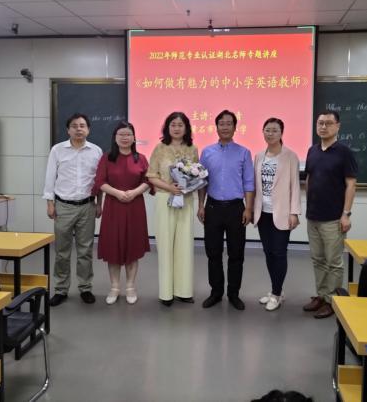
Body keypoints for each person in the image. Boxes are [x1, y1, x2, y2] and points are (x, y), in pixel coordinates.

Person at [43, 113, 103, 306]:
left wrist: (99, 203)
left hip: (87, 206)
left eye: (82, 125)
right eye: (74, 126)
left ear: (88, 130)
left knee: (85, 250)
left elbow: (99, 181)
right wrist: (50, 203)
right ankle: (61, 289)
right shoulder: (57, 150)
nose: (79, 129)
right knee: (62, 251)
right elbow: (50, 177)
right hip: (63, 206)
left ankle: (85, 287)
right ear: (68, 130)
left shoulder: (96, 151)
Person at [198, 110, 255, 310]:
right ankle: (216, 292)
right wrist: (201, 205)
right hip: (212, 207)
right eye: (221, 123)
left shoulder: (244, 152)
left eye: (229, 123)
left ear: (235, 127)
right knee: (213, 253)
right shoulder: (207, 152)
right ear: (216, 127)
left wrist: (248, 208)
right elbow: (202, 181)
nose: (225, 127)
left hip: (236, 209)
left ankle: (233, 294)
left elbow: (249, 183)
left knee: (236, 254)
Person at [303, 110, 357, 318]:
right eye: (320, 123)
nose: (323, 127)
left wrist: (346, 214)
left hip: (334, 217)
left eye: (328, 123)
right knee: (318, 259)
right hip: (313, 216)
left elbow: (351, 184)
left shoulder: (344, 152)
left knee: (334, 262)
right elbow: (309, 178)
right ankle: (321, 295)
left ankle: (332, 301)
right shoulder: (312, 150)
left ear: (338, 126)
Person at [92, 121, 151, 305]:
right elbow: (100, 182)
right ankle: (115, 287)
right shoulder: (106, 158)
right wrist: (117, 193)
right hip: (113, 206)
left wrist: (134, 192)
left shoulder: (141, 158)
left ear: (134, 138)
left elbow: (148, 180)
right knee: (113, 248)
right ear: (115, 138)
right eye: (121, 134)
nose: (125, 138)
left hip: (135, 206)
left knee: (132, 247)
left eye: (128, 134)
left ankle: (131, 287)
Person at [147, 112, 198, 306]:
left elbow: (197, 176)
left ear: (186, 128)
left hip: (185, 200)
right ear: (167, 128)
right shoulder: (160, 148)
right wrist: (170, 188)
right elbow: (151, 176)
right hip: (165, 198)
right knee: (166, 244)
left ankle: (183, 291)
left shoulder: (193, 149)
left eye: (180, 125)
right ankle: (166, 293)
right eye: (173, 124)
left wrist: (187, 187)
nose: (177, 128)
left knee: (185, 245)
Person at [253, 118, 301, 311]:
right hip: (263, 212)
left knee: (279, 253)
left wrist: (294, 212)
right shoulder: (259, 156)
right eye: (267, 130)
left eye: (274, 130)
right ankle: (276, 290)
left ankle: (276, 293)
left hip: (282, 212)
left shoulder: (290, 156)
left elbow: (295, 186)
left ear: (282, 133)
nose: (270, 133)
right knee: (268, 253)